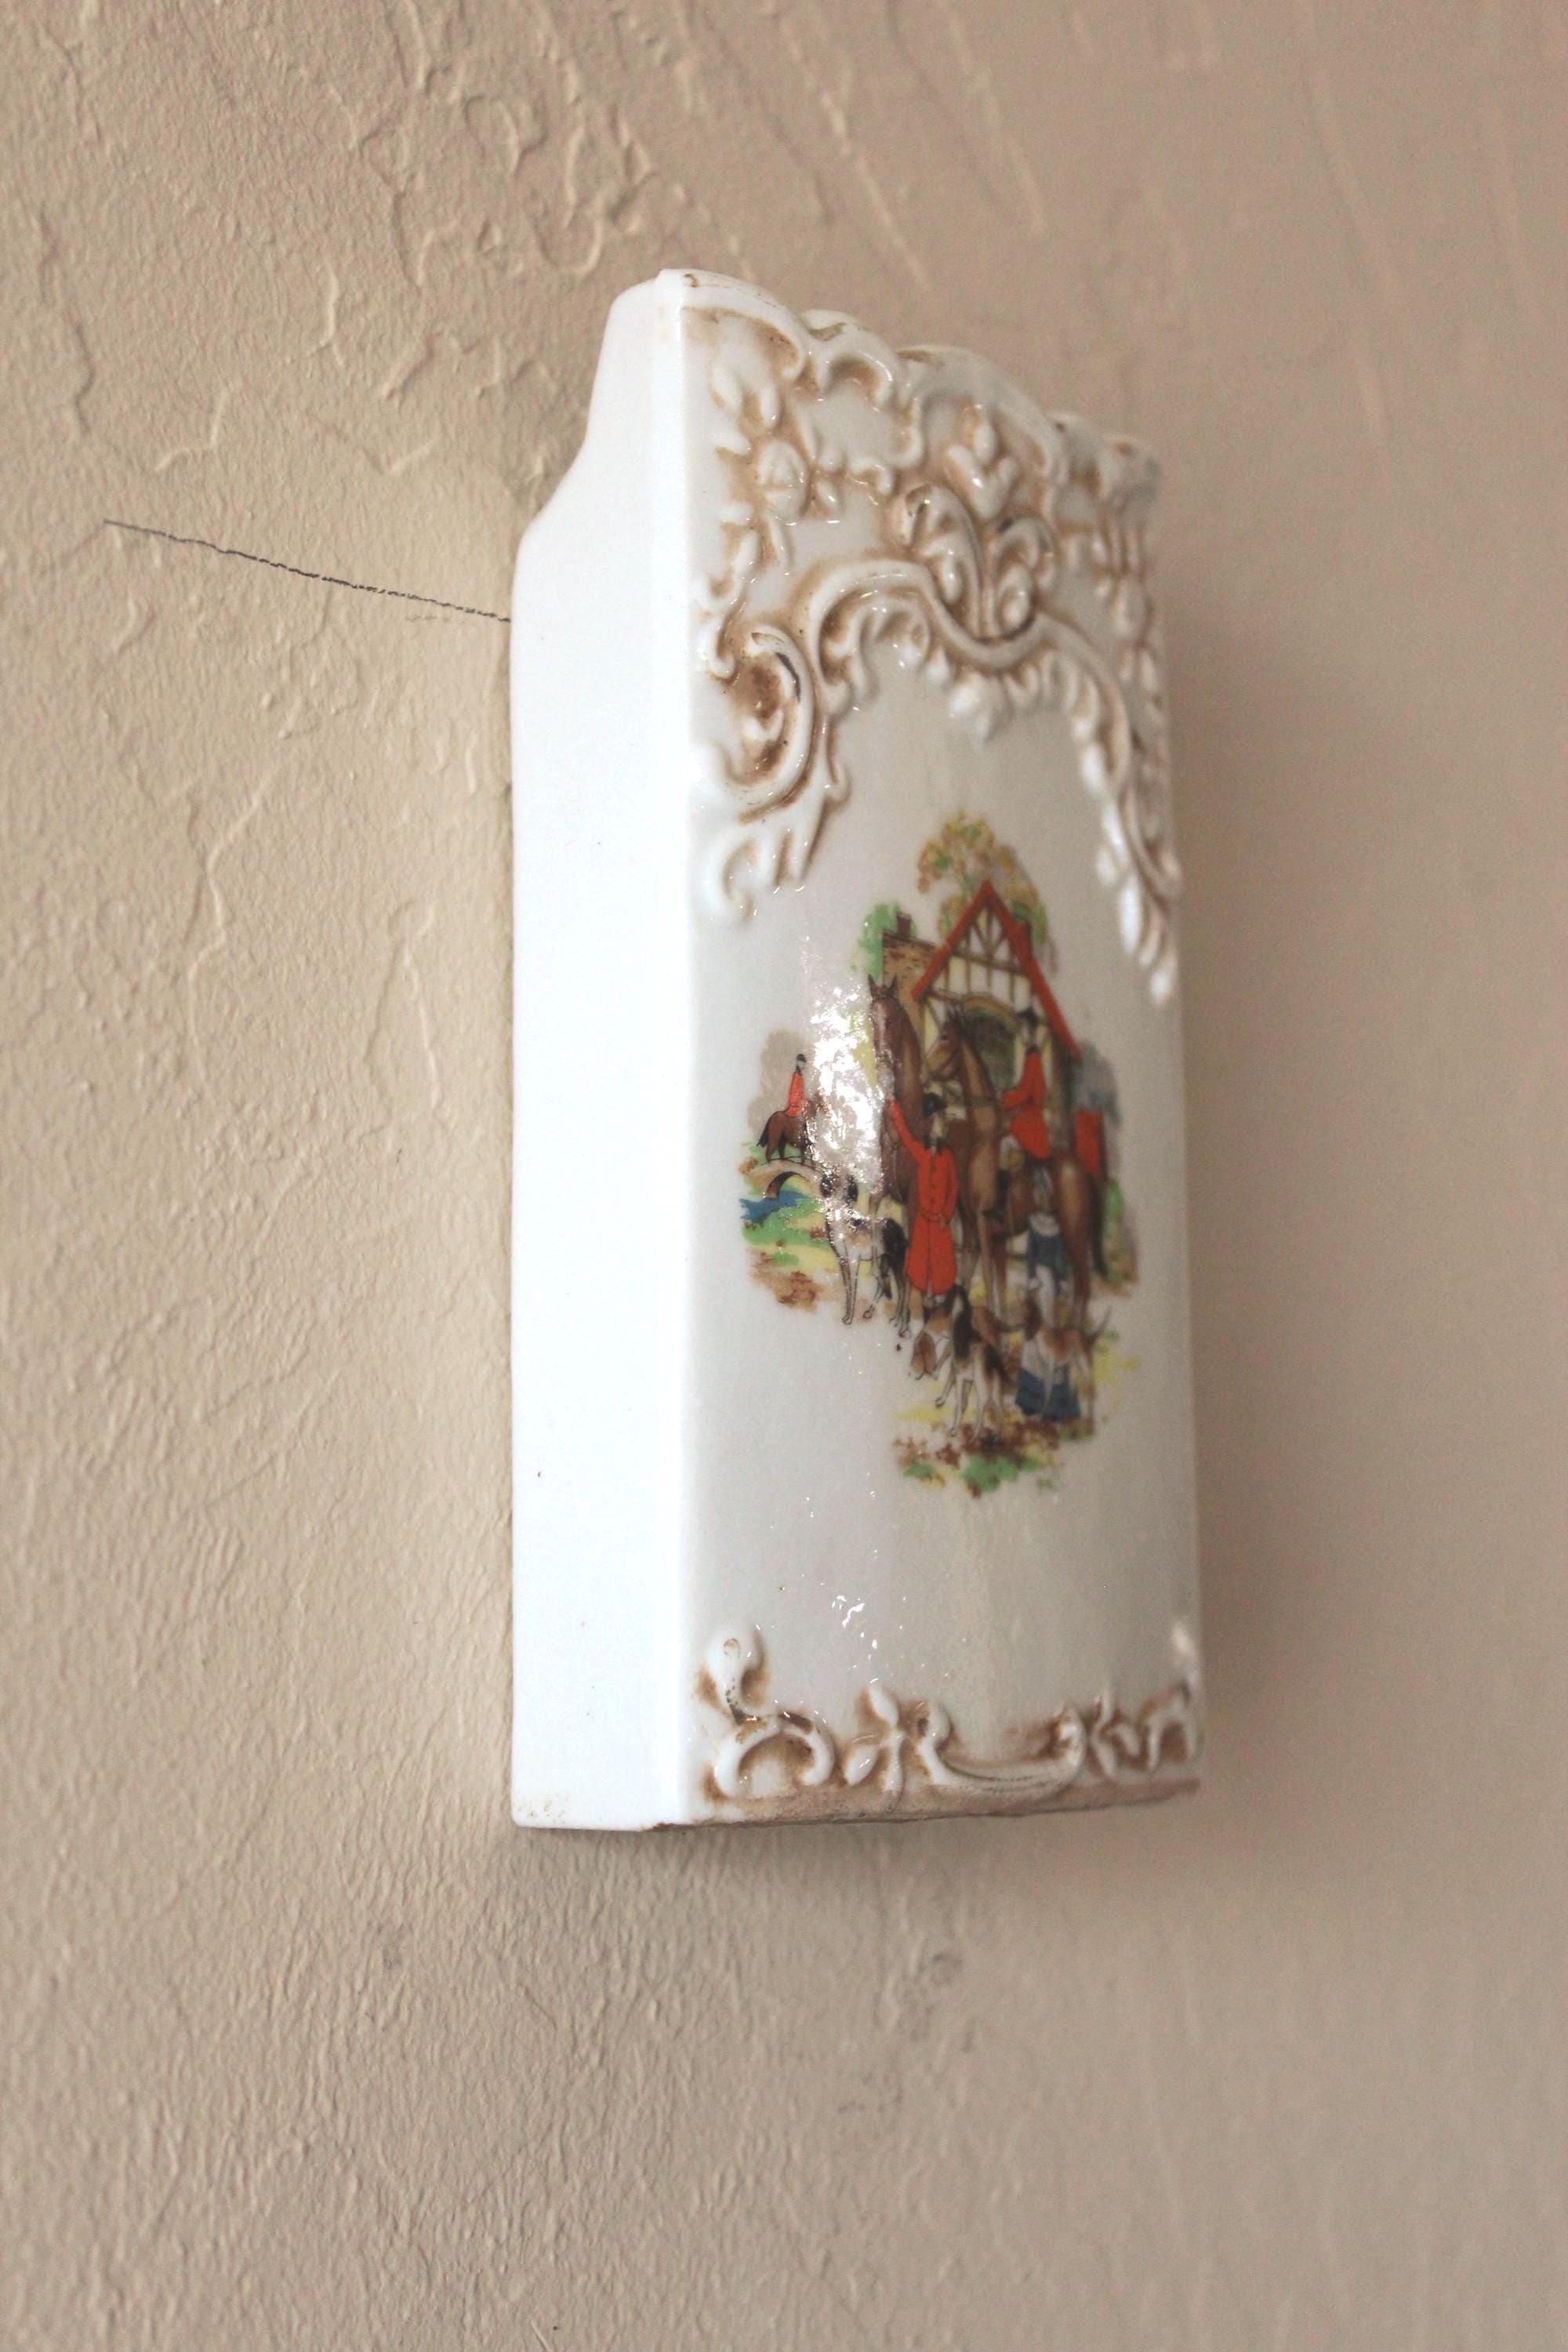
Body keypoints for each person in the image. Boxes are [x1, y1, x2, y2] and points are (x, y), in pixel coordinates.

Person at [887, 1091, 958, 1312]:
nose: (941, 1126)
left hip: (939, 1221)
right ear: (929, 1125)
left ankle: (937, 1295)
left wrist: (946, 1214)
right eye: (937, 1121)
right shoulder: (921, 1152)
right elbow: (905, 1135)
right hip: (923, 1220)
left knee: (940, 1260)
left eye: (942, 1121)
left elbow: (953, 1189)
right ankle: (923, 1295)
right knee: (921, 1261)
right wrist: (894, 1108)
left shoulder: (948, 1157)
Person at [1000, 1007, 1053, 1166]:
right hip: (1029, 1119)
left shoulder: (1033, 1057)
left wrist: (1004, 1099)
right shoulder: (1031, 1055)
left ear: (1030, 1030)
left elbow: (1026, 1092)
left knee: (1003, 1145)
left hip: (1029, 1123)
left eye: (1021, 1027)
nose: (1019, 1032)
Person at [785, 1052, 808, 1122]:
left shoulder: (799, 1076)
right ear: (798, 1063)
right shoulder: (797, 1076)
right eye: (802, 1063)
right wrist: (802, 1102)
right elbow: (795, 1094)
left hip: (798, 1104)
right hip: (795, 1106)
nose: (803, 1065)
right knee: (804, 1119)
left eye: (804, 1063)